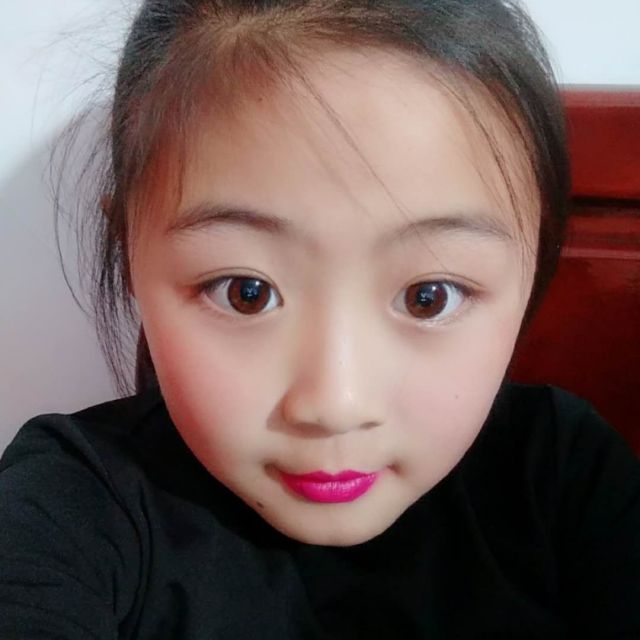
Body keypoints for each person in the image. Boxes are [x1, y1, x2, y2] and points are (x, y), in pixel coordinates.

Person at [1, 0, 639, 637]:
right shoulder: (71, 505)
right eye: (246, 293)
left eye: (430, 296)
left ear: (534, 261)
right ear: (130, 255)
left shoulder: (564, 477)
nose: (335, 404)